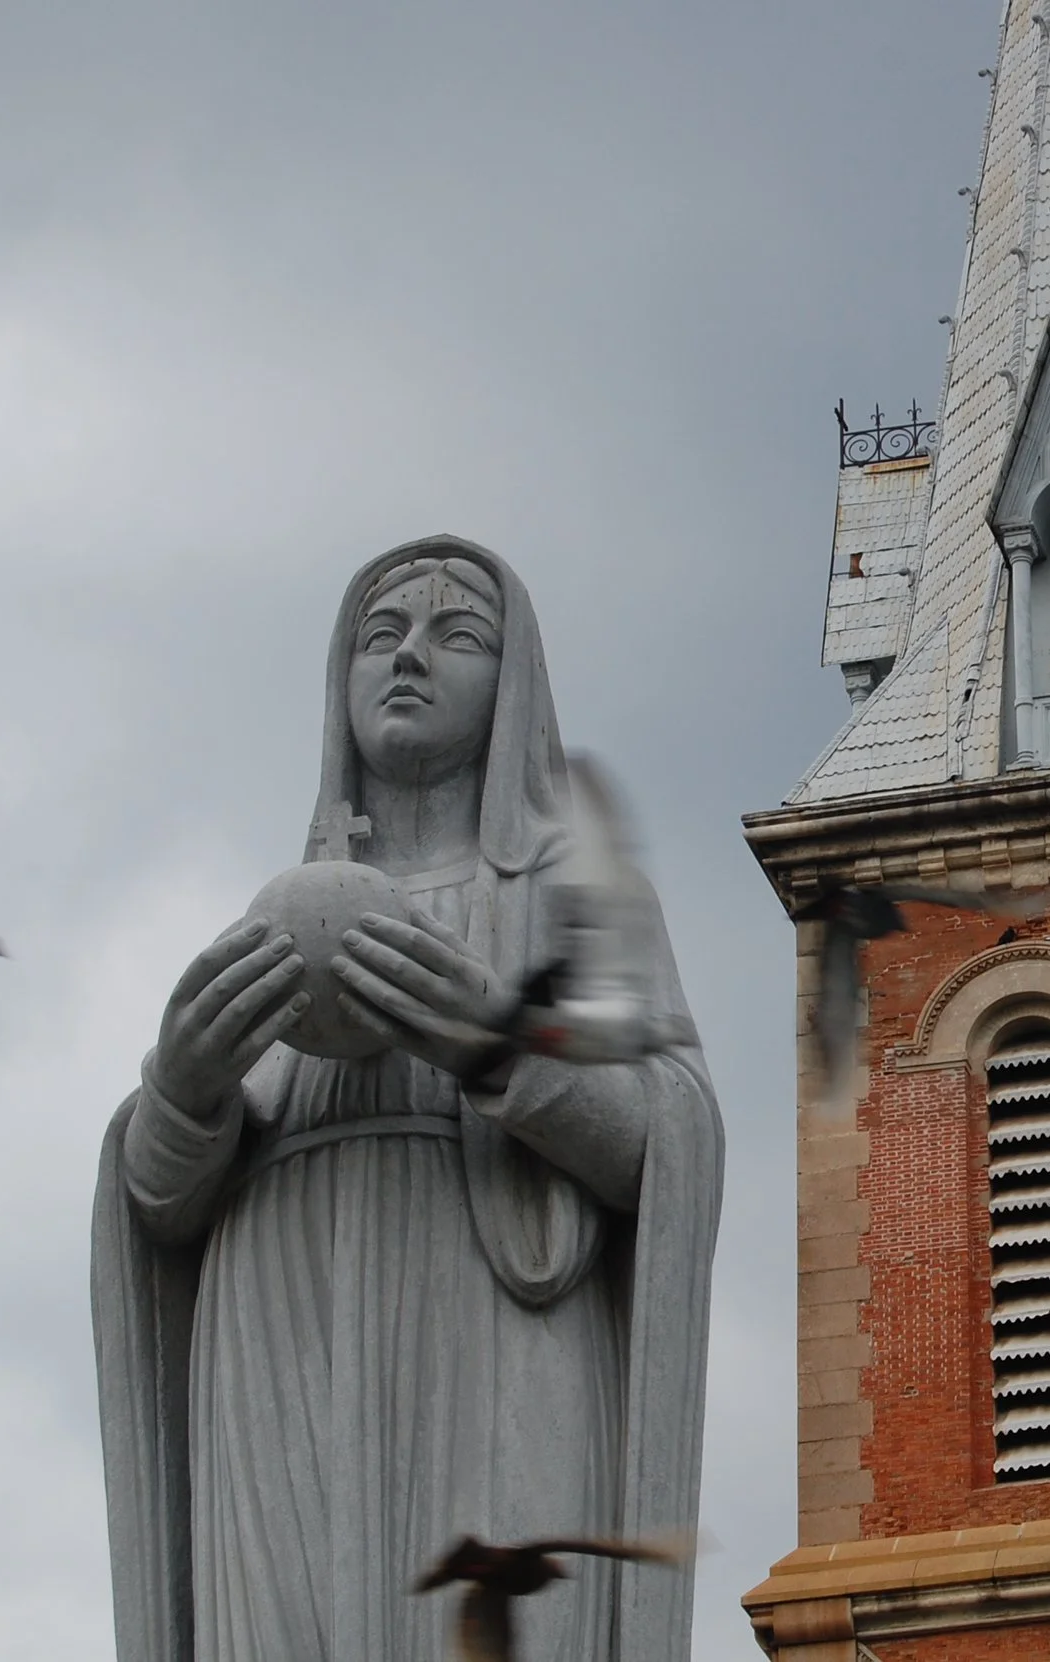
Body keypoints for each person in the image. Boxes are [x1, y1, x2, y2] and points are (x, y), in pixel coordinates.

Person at [92, 535, 722, 1662]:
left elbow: (665, 1140)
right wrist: (179, 1092)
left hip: (487, 1329)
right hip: (276, 1341)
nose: (409, 658)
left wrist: (499, 1048)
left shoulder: (562, 897)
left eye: (455, 634)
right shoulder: (274, 918)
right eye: (379, 636)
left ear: (513, 685)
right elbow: (155, 1211)